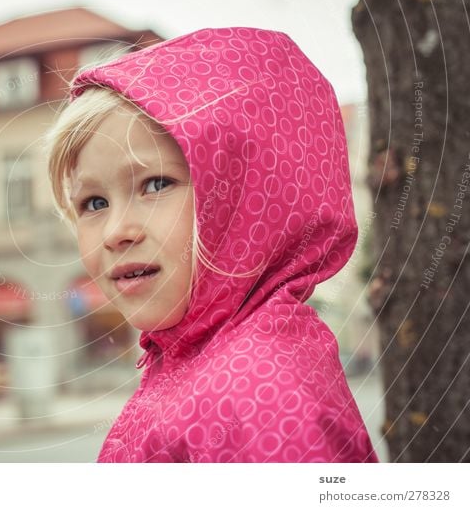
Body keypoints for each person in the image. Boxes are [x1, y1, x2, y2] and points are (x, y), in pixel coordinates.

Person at [42, 27, 379, 463]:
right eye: (93, 202)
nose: (115, 231)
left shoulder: (259, 395)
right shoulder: (206, 363)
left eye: (155, 184)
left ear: (244, 196)